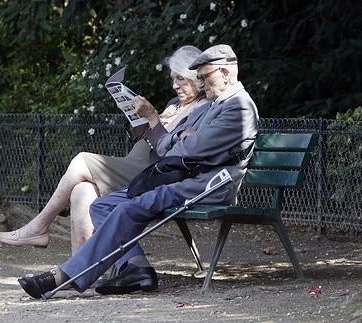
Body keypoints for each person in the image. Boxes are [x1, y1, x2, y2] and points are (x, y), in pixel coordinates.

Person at [17, 44, 260, 299]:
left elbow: (187, 150)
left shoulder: (238, 107)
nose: (200, 81)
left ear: (224, 72)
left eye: (203, 76)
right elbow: (178, 145)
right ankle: (136, 267)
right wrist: (181, 136)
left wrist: (181, 139)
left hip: (206, 186)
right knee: (103, 206)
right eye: (197, 77)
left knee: (127, 207)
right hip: (184, 178)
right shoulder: (216, 103)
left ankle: (65, 275)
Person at [0, 45, 208, 254]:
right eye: (173, 79)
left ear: (196, 78)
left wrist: (153, 117)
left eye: (180, 78)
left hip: (152, 172)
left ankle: (39, 226)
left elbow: (173, 150)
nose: (175, 85)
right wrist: (132, 113)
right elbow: (147, 135)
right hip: (134, 165)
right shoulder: (175, 104)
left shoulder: (203, 108)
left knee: (81, 160)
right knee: (81, 192)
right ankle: (79, 272)